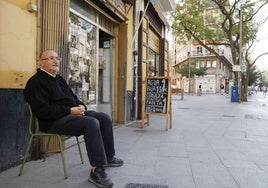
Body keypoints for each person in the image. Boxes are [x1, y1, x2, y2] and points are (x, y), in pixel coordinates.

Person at [23, 49, 123, 188]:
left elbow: (72, 97)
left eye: (57, 58)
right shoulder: (35, 82)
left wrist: (81, 106)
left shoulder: (58, 79)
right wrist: (69, 110)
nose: (56, 61)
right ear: (41, 63)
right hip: (53, 122)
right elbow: (42, 111)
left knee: (104, 118)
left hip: (71, 115)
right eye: (51, 58)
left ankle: (109, 156)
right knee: (91, 123)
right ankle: (97, 170)